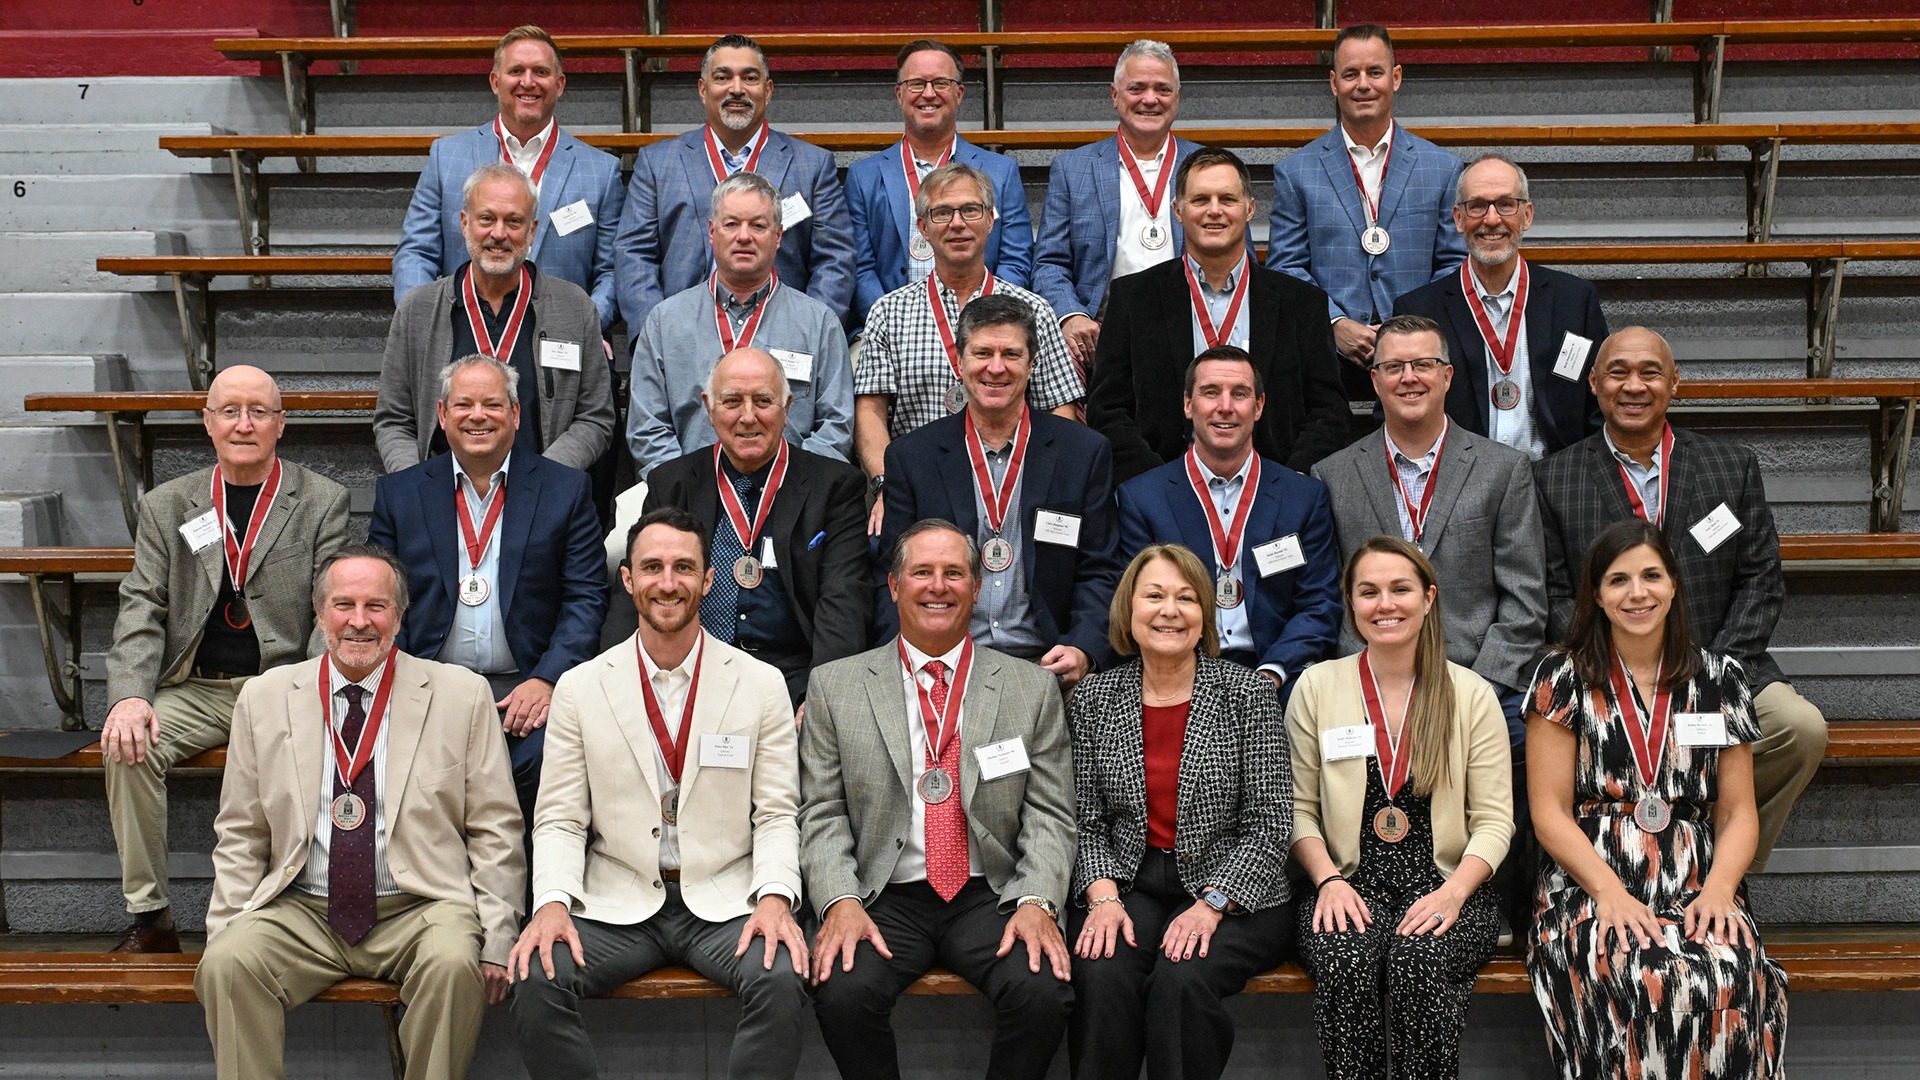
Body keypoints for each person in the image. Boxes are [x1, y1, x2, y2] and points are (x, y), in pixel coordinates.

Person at [195, 544, 525, 1080]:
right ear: (318, 611)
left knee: (453, 964)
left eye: (376, 606)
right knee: (228, 964)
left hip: (420, 907)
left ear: (400, 614)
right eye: (343, 605)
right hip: (303, 911)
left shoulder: (462, 695)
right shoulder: (264, 697)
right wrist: (225, 929)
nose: (359, 621)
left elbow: (496, 830)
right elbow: (241, 831)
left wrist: (497, 939)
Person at [506, 507, 810, 1080]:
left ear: (708, 579)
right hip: (616, 901)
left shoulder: (761, 684)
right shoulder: (579, 688)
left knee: (781, 974)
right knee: (537, 974)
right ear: (627, 579)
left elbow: (775, 813)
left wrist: (774, 897)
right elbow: (561, 819)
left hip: (725, 899)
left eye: (683, 568)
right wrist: (550, 904)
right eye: (651, 567)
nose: (667, 583)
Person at [1534, 326, 1826, 871]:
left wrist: (1712, 676)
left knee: (1799, 728)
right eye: (1618, 373)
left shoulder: (1731, 467)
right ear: (1593, 383)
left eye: (1650, 373)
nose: (1633, 386)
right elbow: (1553, 591)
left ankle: (1721, 869)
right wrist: (1612, 672)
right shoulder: (1553, 477)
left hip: (1719, 658)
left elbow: (1761, 579)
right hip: (1605, 674)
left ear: (1675, 382)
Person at [800, 519, 1075, 1080]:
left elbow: (1050, 813)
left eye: (954, 573)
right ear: (894, 585)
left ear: (977, 587)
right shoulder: (834, 686)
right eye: (922, 572)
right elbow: (821, 813)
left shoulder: (1030, 687)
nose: (938, 586)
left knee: (1043, 990)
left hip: (991, 892)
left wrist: (1037, 901)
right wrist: (839, 900)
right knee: (843, 990)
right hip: (882, 892)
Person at [98, 365, 350, 953]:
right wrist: (130, 697)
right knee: (127, 746)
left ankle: (287, 917)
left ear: (280, 424)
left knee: (321, 755)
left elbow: (330, 612)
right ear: (207, 422)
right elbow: (142, 606)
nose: (244, 424)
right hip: (197, 689)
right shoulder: (168, 505)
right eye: (229, 411)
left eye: (258, 411)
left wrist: (317, 693)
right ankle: (151, 918)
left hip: (280, 685)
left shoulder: (321, 501)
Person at [1526, 519, 1788, 1078]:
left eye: (1651, 576)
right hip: (1590, 883)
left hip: (1695, 881)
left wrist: (1720, 890)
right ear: (1597, 595)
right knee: (1632, 973)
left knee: (1730, 973)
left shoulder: (1721, 679)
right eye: (1618, 580)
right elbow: (1548, 813)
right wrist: (1610, 894)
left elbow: (1737, 811)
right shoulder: (1562, 676)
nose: (1637, 593)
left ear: (1674, 585)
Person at [1286, 537, 1513, 1080]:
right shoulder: (1316, 687)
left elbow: (1494, 821)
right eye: (1368, 592)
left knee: (1419, 960)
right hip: (1347, 886)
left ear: (1428, 598)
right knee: (1344, 960)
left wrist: (1454, 893)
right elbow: (1297, 809)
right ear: (1351, 603)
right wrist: (1327, 881)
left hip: (1447, 887)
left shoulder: (1471, 694)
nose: (1384, 604)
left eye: (1400, 589)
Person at [1067, 543, 1296, 1080]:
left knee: (1182, 978)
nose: (1169, 610)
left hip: (1238, 889)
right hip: (1130, 880)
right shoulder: (1093, 698)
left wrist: (1211, 905)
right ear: (1128, 610)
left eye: (1186, 598)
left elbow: (1270, 823)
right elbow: (1084, 819)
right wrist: (1102, 898)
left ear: (1205, 615)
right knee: (1101, 972)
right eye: (1154, 596)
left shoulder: (1247, 693)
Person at [369, 355, 608, 823]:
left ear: (515, 414)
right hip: (430, 685)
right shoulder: (399, 494)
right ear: (442, 415)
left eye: (493, 404)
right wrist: (410, 682)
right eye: (463, 405)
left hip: (526, 687)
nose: (477, 416)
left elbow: (585, 597)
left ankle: (524, 872)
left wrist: (548, 679)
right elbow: (381, 601)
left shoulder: (565, 489)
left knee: (545, 766)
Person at [1311, 315, 1545, 739]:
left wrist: (1477, 689)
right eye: (1393, 367)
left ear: (1447, 376)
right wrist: (1366, 683)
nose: (1409, 378)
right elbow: (1330, 598)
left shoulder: (1504, 470)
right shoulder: (1332, 475)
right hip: (1368, 682)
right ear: (1375, 380)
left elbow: (1524, 600)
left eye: (1423, 364)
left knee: (1525, 737)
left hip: (1475, 676)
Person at [878, 293, 1123, 690]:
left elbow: (1101, 568)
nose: (996, 368)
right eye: (982, 353)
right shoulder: (911, 457)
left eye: (1011, 354)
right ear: (959, 362)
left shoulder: (1082, 453)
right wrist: (910, 663)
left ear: (1032, 364)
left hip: (1047, 668)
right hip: (943, 666)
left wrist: (1083, 648)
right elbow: (890, 576)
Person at [1088, 146, 1349, 484]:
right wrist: (1155, 486)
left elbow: (1329, 411)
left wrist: (1290, 482)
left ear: (1250, 208)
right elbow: (1107, 409)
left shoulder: (1302, 302)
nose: (1214, 211)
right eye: (1200, 200)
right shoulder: (1133, 298)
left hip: (1274, 488)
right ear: (1177, 210)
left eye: (1227, 199)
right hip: (1163, 488)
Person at [854, 161, 1083, 532]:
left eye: (970, 210)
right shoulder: (888, 312)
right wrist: (887, 485)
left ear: (991, 221)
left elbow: (1059, 409)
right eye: (942, 212)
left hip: (1014, 489)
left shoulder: (1033, 310)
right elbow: (871, 414)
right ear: (922, 227)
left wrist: (1048, 486)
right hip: (918, 493)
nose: (957, 223)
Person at [642, 348, 872, 706]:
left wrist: (820, 701)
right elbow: (640, 591)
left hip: (792, 679)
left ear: (787, 407)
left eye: (763, 401)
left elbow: (844, 603)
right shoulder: (671, 484)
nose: (748, 417)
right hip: (689, 673)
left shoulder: (834, 487)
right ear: (709, 407)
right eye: (732, 401)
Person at [1116, 346, 1342, 697]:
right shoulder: (1142, 498)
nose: (1225, 406)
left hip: (1277, 677)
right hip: (1177, 676)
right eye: (1210, 393)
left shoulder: (1304, 497)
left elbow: (1320, 603)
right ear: (1188, 404)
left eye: (1239, 394)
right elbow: (1137, 605)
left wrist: (1272, 673)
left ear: (1259, 406)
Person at [1267, 24, 1465, 410]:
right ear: (1333, 83)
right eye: (1350, 74)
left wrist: (1407, 330)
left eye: (1375, 72)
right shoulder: (1296, 171)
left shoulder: (1442, 168)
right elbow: (1286, 266)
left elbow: (1454, 263)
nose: (1363, 85)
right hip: (1328, 353)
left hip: (1419, 352)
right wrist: (1334, 324)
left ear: (1396, 77)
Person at [376, 162, 614, 475]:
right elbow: (394, 420)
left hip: (542, 494)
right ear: (464, 223)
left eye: (514, 221)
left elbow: (595, 417)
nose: (499, 234)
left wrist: (547, 480)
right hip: (442, 496)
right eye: (487, 219)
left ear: (532, 230)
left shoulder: (575, 308)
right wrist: (418, 485)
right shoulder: (417, 310)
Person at [615, 34, 855, 334]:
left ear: (768, 90)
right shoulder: (657, 163)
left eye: (750, 78)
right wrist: (658, 335)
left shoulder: (813, 165)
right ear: (703, 89)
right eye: (722, 77)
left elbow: (835, 260)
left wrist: (808, 334)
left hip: (783, 336)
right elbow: (633, 256)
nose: (737, 89)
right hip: (682, 334)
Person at [393, 25, 625, 332]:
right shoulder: (446, 158)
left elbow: (612, 272)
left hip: (559, 341)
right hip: (463, 337)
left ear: (559, 84)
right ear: (495, 81)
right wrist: (425, 325)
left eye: (541, 72)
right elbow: (416, 254)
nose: (528, 82)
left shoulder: (601, 171)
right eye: (516, 71)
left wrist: (585, 329)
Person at [628, 170, 853, 478]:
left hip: (794, 495)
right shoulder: (664, 322)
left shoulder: (819, 323)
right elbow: (647, 428)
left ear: (778, 236)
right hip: (687, 497)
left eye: (758, 225)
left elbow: (837, 425)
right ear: (712, 231)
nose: (744, 236)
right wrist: (686, 488)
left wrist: (793, 487)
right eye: (731, 224)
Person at [1392, 154, 1607, 458]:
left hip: (1553, 474)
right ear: (1458, 219)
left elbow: (1601, 402)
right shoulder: (1419, 310)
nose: (1492, 219)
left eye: (1506, 204)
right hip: (1459, 479)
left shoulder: (1574, 301)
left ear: (1527, 215)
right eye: (1477, 206)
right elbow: (1397, 415)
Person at [1032, 39, 1218, 368]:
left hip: (1194, 333)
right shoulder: (1073, 169)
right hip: (1100, 339)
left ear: (1177, 97)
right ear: (1115, 95)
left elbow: (1239, 258)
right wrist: (1071, 316)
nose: (1150, 99)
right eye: (1136, 88)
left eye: (1162, 89)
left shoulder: (1211, 167)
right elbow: (1049, 263)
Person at [845, 39, 1033, 324]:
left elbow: (1015, 260)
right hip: (891, 325)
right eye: (917, 84)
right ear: (899, 94)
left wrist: (981, 320)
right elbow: (859, 268)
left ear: (959, 93)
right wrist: (893, 322)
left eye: (941, 83)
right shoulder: (864, 177)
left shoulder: (1001, 171)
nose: (929, 93)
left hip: (984, 324)